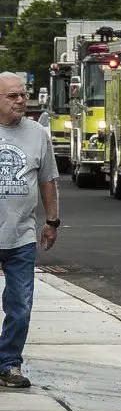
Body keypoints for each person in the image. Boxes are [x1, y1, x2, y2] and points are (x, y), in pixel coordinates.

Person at [0, 72, 60, 389]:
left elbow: (47, 180)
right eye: (13, 96)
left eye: (23, 94)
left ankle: (8, 364)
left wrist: (52, 221)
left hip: (21, 237)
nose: (21, 100)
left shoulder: (37, 133)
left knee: (21, 308)